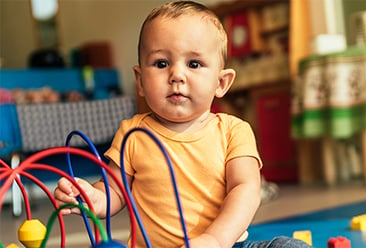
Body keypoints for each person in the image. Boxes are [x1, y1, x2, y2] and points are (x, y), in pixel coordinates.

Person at [54, 1, 311, 247]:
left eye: (194, 64)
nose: (176, 75)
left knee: (290, 246)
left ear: (221, 83)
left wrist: (215, 240)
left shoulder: (234, 131)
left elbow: (246, 189)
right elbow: (114, 192)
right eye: (161, 63)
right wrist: (90, 197)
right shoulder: (132, 133)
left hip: (224, 246)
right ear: (141, 80)